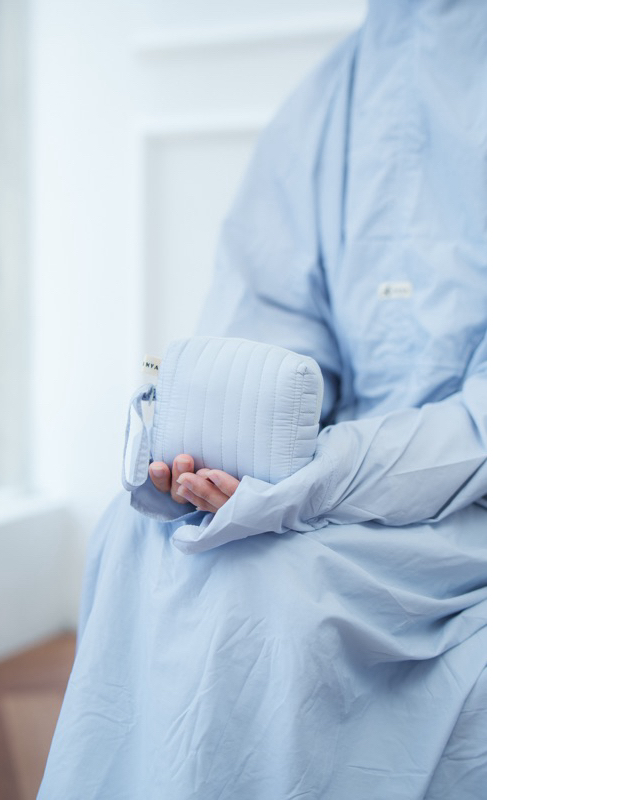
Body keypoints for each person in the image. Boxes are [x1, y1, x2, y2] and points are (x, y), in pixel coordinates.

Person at [39, 0, 486, 797]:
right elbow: (274, 324)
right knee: (145, 534)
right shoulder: (331, 97)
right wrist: (233, 442)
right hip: (346, 464)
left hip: (474, 504)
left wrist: (311, 479)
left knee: (266, 588)